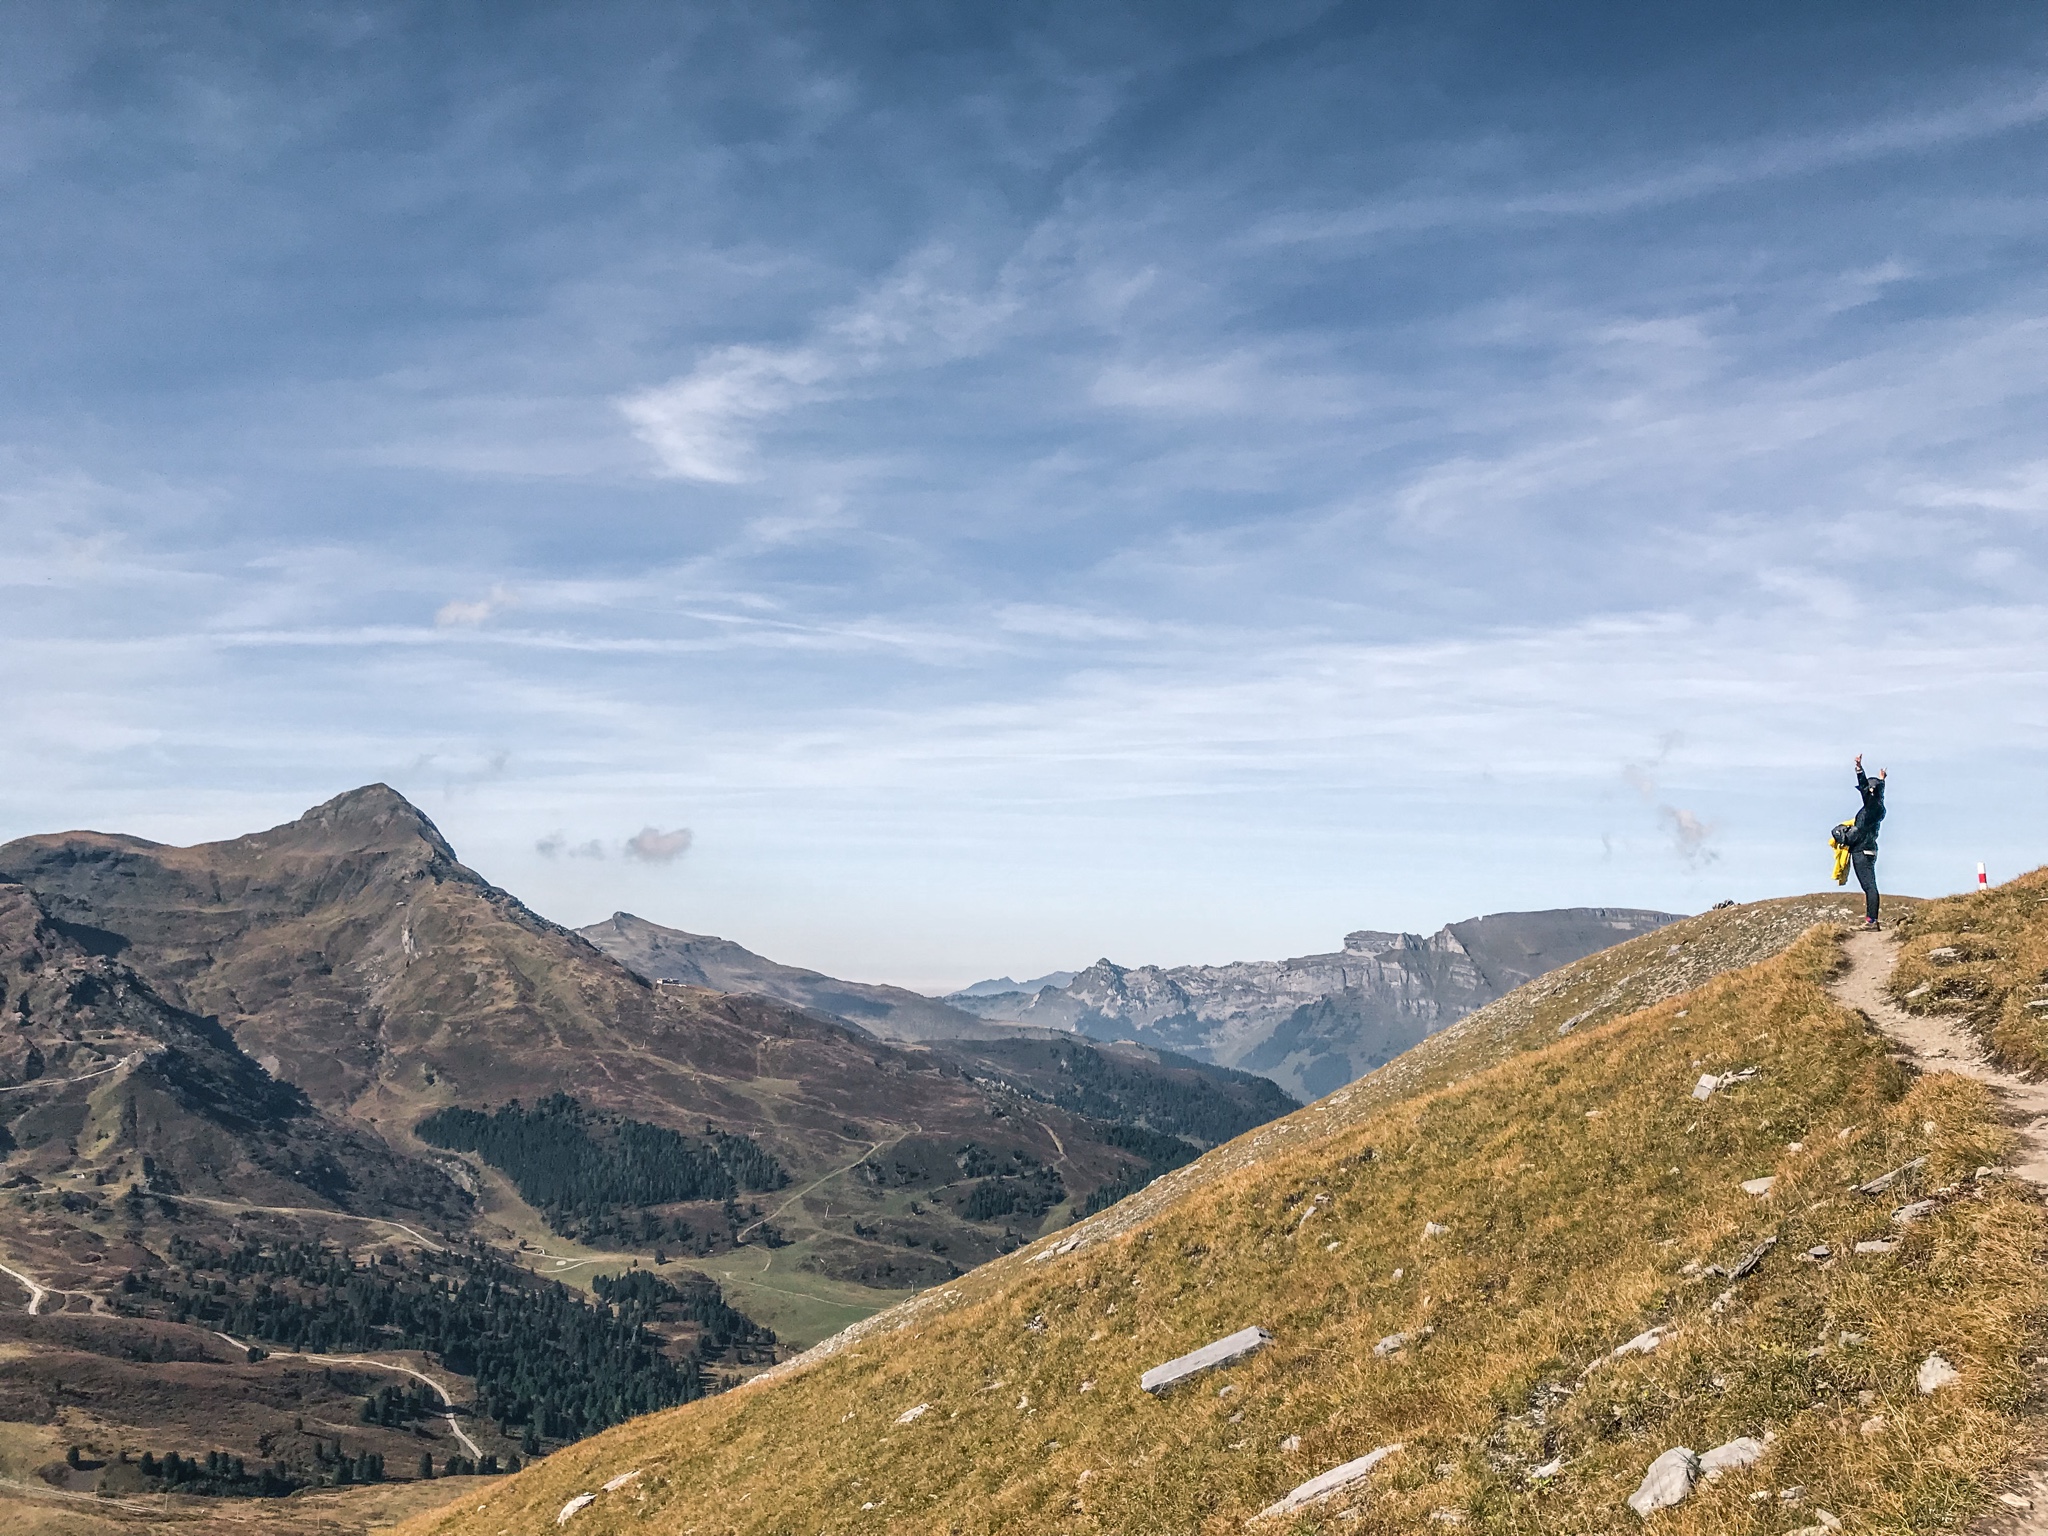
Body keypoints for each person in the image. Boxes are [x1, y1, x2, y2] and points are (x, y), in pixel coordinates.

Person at [1847, 753, 1887, 928]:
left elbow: (1866, 788)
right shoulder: (1879, 805)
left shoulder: (1871, 807)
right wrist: (1881, 780)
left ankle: (1872, 921)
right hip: (1870, 849)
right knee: (1870, 885)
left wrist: (1859, 769)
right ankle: (1871, 920)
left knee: (1869, 886)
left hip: (1862, 850)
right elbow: (1873, 790)